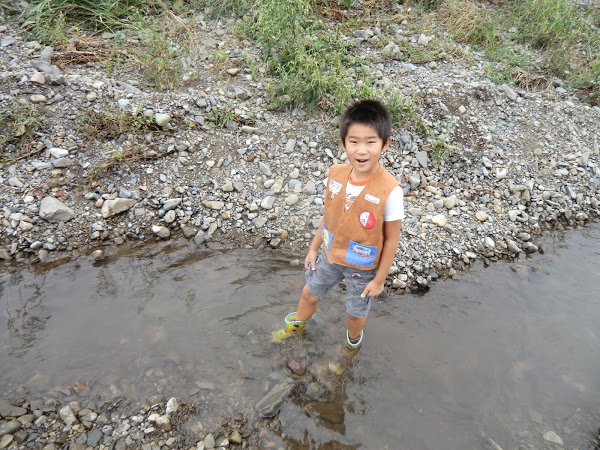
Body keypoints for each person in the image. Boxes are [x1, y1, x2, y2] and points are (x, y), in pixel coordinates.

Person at [272, 99, 405, 349]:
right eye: (353, 142)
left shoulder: (391, 191)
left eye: (371, 142)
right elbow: (329, 216)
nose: (361, 150)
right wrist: (313, 249)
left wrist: (379, 280)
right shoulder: (335, 175)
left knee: (355, 312)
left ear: (385, 144)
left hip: (363, 267)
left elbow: (391, 240)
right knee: (309, 293)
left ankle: (350, 345)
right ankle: (293, 330)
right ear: (344, 143)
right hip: (331, 255)